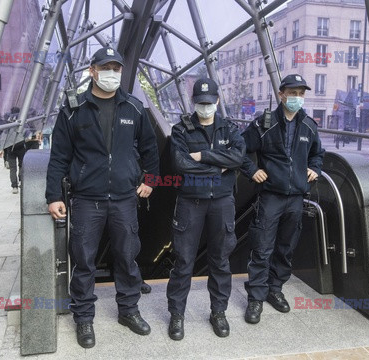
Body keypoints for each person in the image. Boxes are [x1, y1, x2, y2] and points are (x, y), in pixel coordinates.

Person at [45, 46, 159, 349]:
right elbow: (58, 157)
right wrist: (53, 195)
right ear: (92, 70)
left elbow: (150, 148)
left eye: (116, 69)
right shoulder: (73, 109)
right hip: (86, 200)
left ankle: (129, 311)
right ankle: (83, 318)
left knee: (127, 257)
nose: (111, 74)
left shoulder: (133, 108)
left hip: (124, 199)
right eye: (105, 68)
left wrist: (151, 179)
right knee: (83, 261)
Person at [240, 74, 324, 323]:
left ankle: (274, 289)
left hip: (296, 197)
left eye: (301, 93)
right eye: (292, 93)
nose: (297, 98)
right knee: (262, 248)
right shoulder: (264, 124)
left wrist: (315, 169)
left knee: (286, 248)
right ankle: (256, 297)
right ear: (281, 94)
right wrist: (252, 170)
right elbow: (239, 149)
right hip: (270, 197)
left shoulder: (309, 125)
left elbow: (317, 154)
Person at [166, 78, 246, 340]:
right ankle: (177, 315)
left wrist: (201, 156)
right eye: (200, 103)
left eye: (210, 103)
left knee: (220, 260)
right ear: (194, 103)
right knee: (183, 261)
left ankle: (218, 312)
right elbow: (180, 164)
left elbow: (238, 157)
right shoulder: (181, 130)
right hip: (191, 203)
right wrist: (218, 167)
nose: (205, 107)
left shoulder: (229, 129)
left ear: (218, 102)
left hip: (222, 202)